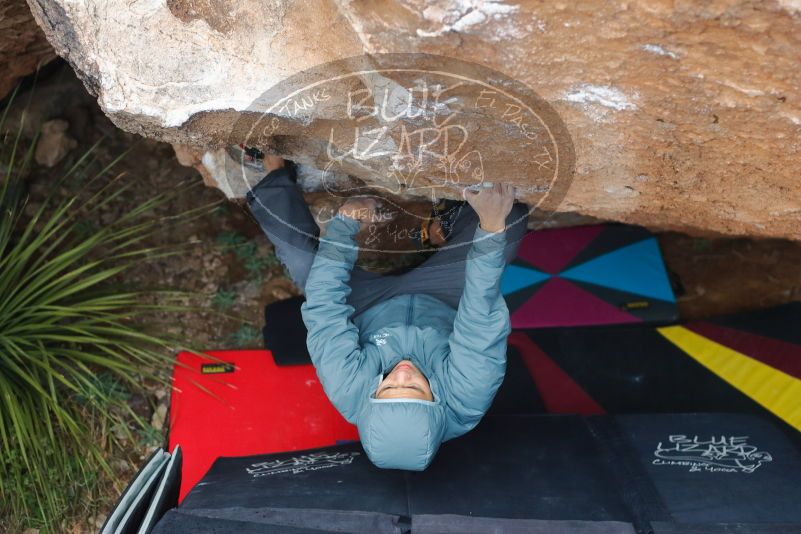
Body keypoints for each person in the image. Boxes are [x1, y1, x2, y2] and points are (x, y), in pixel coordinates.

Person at [247, 155, 529, 471]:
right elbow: (479, 312)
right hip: (444, 300)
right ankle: (444, 224)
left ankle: (273, 171)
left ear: (372, 396)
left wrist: (345, 222)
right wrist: (491, 226)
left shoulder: (349, 390)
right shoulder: (468, 394)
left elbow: (325, 309)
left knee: (303, 263)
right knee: (510, 220)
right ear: (438, 401)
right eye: (415, 388)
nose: (402, 374)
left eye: (388, 388)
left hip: (367, 305)